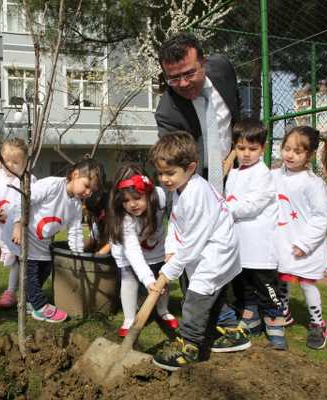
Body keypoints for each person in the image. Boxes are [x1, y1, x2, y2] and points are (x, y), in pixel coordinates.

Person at [149, 132, 250, 371]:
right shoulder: (181, 188)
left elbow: (193, 242)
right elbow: (175, 222)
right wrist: (171, 249)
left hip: (217, 252)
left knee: (196, 296)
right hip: (205, 249)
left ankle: (189, 346)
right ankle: (234, 334)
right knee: (210, 295)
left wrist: (167, 273)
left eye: (170, 173)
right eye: (161, 173)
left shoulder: (197, 194)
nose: (164, 179)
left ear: (191, 167)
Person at [272, 126, 327, 350]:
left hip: (306, 248)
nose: (290, 155)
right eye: (287, 149)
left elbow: (320, 218)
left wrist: (305, 244)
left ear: (309, 155)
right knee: (282, 279)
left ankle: (318, 324)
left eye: (297, 151)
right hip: (283, 242)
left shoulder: (314, 184)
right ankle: (284, 313)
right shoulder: (274, 175)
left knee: (306, 284)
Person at [12, 159, 105, 323]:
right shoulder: (52, 185)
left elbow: (75, 231)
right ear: (75, 175)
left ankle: (28, 302)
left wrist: (78, 256)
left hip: (43, 243)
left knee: (45, 270)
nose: (88, 193)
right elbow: (23, 200)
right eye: (87, 186)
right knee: (30, 273)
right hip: (25, 237)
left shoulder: (76, 205)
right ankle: (40, 306)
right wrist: (18, 224)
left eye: (92, 190)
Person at [224, 119, 287, 350]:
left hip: (260, 247)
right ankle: (251, 318)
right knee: (243, 285)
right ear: (234, 147)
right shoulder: (234, 172)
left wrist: (224, 209)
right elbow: (231, 198)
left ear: (262, 148)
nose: (246, 153)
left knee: (266, 287)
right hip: (240, 245)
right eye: (241, 148)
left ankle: (275, 322)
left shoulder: (263, 174)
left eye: (252, 149)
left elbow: (252, 205)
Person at [155, 31, 240, 194]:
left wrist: (235, 152)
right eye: (174, 78)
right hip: (197, 179)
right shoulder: (167, 113)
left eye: (189, 73)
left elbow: (237, 108)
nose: (183, 83)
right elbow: (175, 164)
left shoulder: (223, 69)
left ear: (203, 62)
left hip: (236, 166)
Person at [108, 164, 178, 337]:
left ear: (149, 193)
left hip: (157, 246)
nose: (132, 204)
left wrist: (170, 247)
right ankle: (130, 318)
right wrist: (147, 280)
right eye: (125, 200)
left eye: (137, 197)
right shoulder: (124, 219)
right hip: (128, 252)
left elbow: (175, 220)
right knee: (129, 280)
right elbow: (132, 251)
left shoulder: (160, 196)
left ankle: (163, 310)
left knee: (162, 279)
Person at [0, 138, 36, 309]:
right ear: (0, 160)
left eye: (16, 162)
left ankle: (21, 293)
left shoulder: (28, 180)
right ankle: (13, 292)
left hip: (21, 227)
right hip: (3, 227)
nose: (10, 165)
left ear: (25, 163)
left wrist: (18, 223)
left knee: (22, 259)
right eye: (6, 161)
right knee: (13, 259)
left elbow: (26, 204)